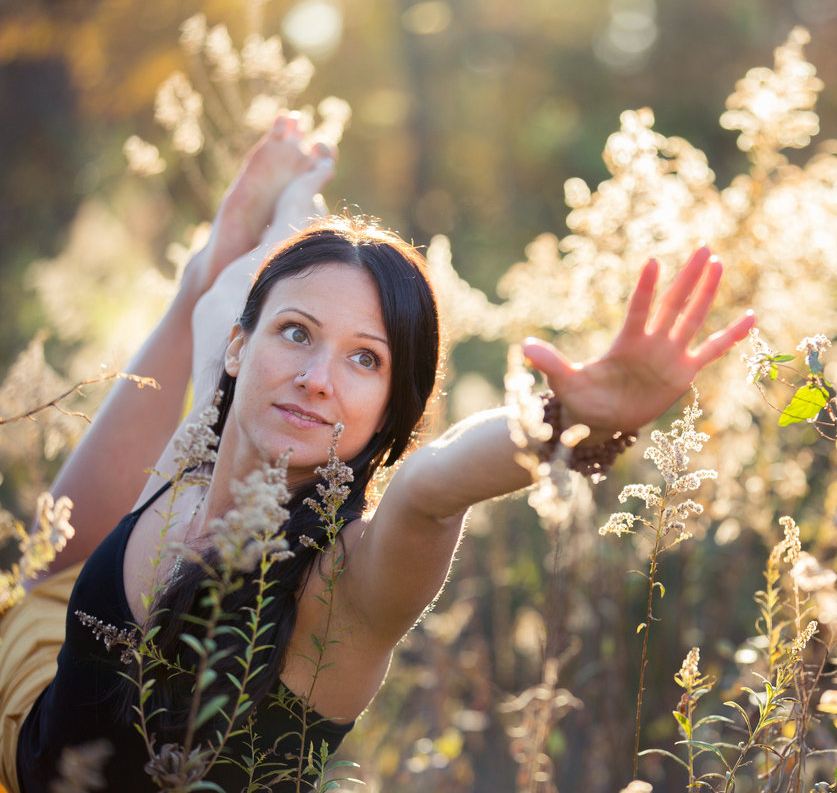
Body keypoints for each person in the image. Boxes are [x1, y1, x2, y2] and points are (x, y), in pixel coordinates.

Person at [5, 114, 756, 792]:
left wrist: (567, 422)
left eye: (365, 360)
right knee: (47, 563)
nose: (315, 379)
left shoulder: (346, 589)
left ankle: (243, 259)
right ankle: (217, 266)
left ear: (392, 410)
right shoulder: (227, 422)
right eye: (297, 332)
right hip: (20, 687)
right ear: (246, 345)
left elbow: (431, 487)